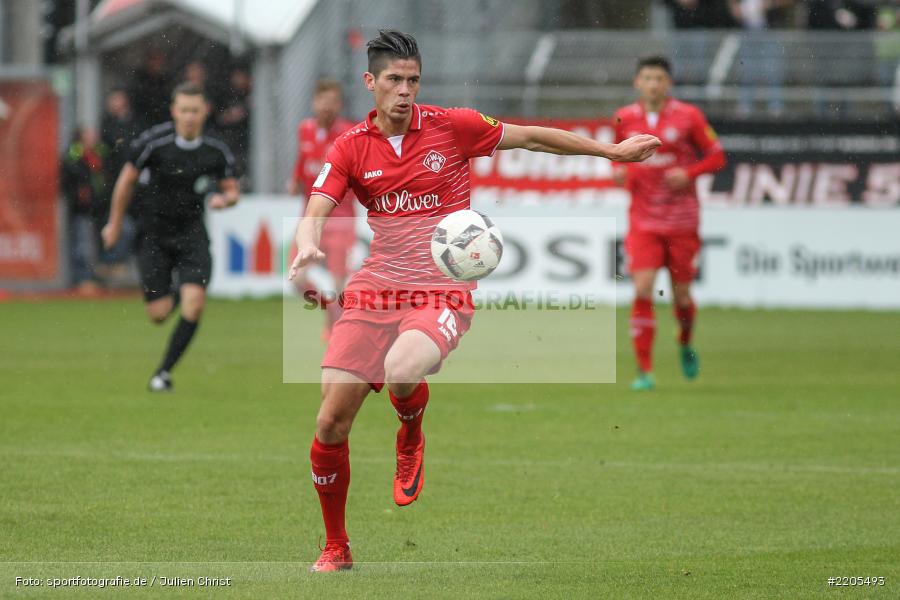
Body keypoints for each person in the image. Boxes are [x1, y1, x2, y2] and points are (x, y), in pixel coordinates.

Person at [287, 29, 660, 573]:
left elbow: (530, 136)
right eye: (394, 80)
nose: (405, 90)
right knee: (329, 423)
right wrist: (306, 239)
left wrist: (610, 151)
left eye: (413, 80)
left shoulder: (451, 125)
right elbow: (319, 201)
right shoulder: (350, 146)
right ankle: (336, 545)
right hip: (375, 287)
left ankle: (410, 430)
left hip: (442, 284)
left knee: (401, 368)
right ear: (370, 83)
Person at [101, 82, 240, 392]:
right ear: (174, 111)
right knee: (159, 314)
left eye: (195, 110)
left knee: (195, 306)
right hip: (153, 235)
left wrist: (225, 200)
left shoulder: (215, 150)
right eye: (184, 110)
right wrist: (114, 224)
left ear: (205, 111)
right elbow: (126, 182)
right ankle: (180, 289)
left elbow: (231, 189)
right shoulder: (153, 143)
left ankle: (162, 373)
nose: (189, 116)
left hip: (192, 235)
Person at [612, 56, 727, 392]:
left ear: (668, 83)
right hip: (643, 221)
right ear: (637, 82)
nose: (653, 84)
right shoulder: (624, 117)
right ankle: (644, 371)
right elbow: (616, 156)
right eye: (647, 77)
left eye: (659, 78)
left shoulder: (689, 116)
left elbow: (717, 156)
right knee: (642, 289)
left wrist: (689, 173)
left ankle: (685, 341)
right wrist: (618, 171)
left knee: (681, 296)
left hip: (682, 220)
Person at [288, 79, 357, 341]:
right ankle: (333, 314)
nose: (326, 107)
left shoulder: (349, 134)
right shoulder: (305, 129)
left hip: (341, 218)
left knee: (339, 283)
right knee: (297, 280)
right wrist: (295, 179)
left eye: (332, 102)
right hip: (310, 217)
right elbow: (303, 159)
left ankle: (338, 335)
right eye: (322, 101)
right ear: (314, 103)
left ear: (339, 105)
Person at [61, 127, 108, 294]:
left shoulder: (99, 152)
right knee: (82, 245)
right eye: (89, 134)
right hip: (81, 209)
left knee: (93, 244)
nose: (93, 137)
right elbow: (71, 171)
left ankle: (92, 277)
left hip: (98, 208)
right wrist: (80, 191)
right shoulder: (76, 152)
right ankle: (82, 280)